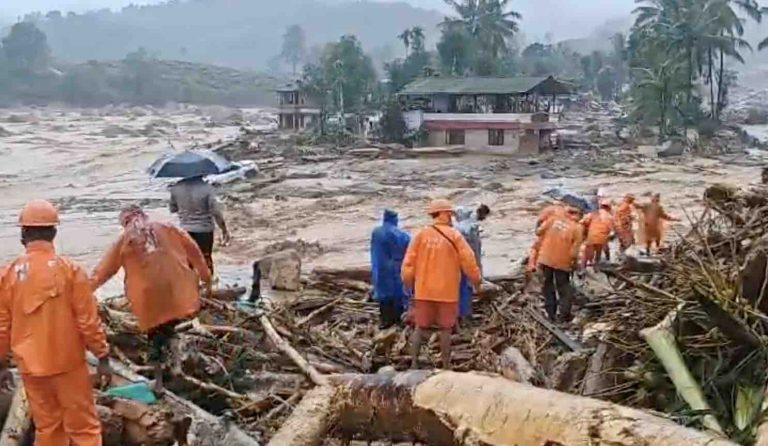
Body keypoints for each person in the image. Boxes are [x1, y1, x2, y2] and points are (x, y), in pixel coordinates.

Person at [0, 200, 111, 446]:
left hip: (30, 367)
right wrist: (102, 355)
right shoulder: (70, 271)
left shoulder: (7, 274)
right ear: (54, 232)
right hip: (68, 364)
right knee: (84, 429)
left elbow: (2, 326)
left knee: (48, 428)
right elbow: (88, 322)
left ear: (23, 234)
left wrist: (1, 364)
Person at [91, 205, 212, 392]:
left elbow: (103, 271)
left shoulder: (124, 240)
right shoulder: (168, 228)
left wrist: (83, 292)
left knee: (154, 336)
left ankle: (159, 382)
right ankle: (176, 366)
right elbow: (194, 250)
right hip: (176, 289)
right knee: (169, 327)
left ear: (125, 222)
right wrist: (206, 278)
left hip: (148, 296)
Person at [402, 199, 482, 369]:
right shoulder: (455, 236)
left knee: (420, 327)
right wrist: (477, 282)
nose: (452, 217)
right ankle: (446, 366)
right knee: (445, 329)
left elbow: (408, 263)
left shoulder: (421, 235)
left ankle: (414, 364)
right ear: (445, 214)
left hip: (423, 291)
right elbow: (469, 261)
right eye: (450, 214)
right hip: (447, 292)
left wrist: (409, 285)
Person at [169, 175, 231, 275]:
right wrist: (224, 229)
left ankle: (191, 287)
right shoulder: (207, 188)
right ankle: (208, 286)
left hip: (185, 230)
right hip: (204, 230)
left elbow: (173, 209)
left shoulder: (176, 188)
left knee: (189, 260)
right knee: (206, 259)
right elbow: (216, 212)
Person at [535, 207, 584, 322]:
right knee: (564, 287)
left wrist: (539, 223)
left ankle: (550, 314)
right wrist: (575, 265)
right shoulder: (577, 228)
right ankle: (563, 316)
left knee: (547, 286)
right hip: (563, 262)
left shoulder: (553, 219)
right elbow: (574, 252)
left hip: (545, 259)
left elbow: (538, 232)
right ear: (577, 215)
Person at [370, 209, 411, 329]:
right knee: (397, 293)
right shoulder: (401, 235)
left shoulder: (376, 232)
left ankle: (385, 321)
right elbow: (409, 250)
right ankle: (397, 320)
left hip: (380, 266)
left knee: (383, 294)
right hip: (395, 268)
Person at [454, 207, 481, 320]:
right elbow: (475, 250)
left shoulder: (456, 228)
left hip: (456, 263)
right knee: (467, 287)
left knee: (458, 288)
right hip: (469, 261)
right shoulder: (472, 227)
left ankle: (458, 314)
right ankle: (465, 314)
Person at [581, 200, 614, 270]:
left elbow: (583, 221)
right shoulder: (610, 217)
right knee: (598, 253)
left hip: (592, 236)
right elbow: (611, 230)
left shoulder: (594, 213)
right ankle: (596, 267)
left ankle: (583, 269)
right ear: (609, 207)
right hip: (602, 238)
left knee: (586, 254)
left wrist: (585, 232)